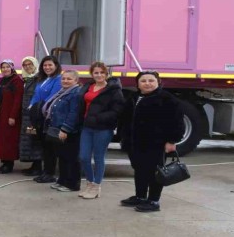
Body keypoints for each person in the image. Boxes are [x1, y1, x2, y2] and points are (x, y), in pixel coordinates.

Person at [119, 71, 184, 212]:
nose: (147, 83)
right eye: (143, 81)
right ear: (137, 84)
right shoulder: (134, 97)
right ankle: (140, 197)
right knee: (139, 170)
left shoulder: (167, 99)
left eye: (151, 80)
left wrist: (172, 141)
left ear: (158, 82)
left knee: (155, 172)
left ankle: (153, 201)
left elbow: (177, 122)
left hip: (156, 143)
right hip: (135, 143)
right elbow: (125, 119)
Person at [77, 62, 124, 199]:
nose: (99, 75)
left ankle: (96, 186)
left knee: (98, 157)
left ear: (106, 74)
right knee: (83, 157)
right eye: (96, 72)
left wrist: (98, 118)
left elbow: (117, 110)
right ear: (91, 74)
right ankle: (89, 183)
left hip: (103, 128)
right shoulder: (88, 87)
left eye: (102, 72)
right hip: (86, 127)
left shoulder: (114, 90)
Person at [37, 70, 82, 190]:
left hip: (68, 131)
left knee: (71, 158)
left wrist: (65, 129)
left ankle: (72, 184)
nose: (65, 81)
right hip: (57, 128)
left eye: (69, 79)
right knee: (62, 157)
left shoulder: (75, 94)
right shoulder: (62, 92)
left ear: (76, 81)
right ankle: (62, 180)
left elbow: (73, 113)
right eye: (63, 78)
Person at [26, 55, 63, 179]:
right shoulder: (43, 79)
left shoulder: (58, 79)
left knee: (50, 147)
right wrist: (31, 107)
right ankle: (44, 171)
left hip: (48, 117)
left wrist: (40, 109)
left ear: (56, 66)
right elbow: (36, 95)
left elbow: (52, 97)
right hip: (38, 117)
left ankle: (49, 173)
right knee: (42, 145)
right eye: (45, 65)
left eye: (50, 65)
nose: (47, 67)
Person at [0, 59, 24, 174]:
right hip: (1, 114)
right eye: (3, 67)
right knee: (1, 139)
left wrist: (13, 116)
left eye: (7, 67)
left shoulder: (17, 81)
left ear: (12, 68)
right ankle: (4, 162)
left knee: (9, 140)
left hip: (10, 115)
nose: (5, 69)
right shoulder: (0, 80)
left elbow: (17, 100)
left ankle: (9, 164)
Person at [19, 56, 42, 176]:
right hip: (26, 116)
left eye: (30, 64)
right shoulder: (27, 79)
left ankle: (38, 166)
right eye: (25, 65)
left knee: (35, 140)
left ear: (35, 65)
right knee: (29, 139)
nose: (28, 67)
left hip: (34, 116)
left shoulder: (38, 79)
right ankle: (34, 165)